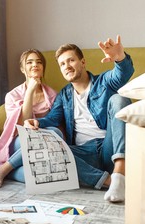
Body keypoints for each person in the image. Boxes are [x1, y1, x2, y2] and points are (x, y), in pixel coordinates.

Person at [24, 35, 134, 202]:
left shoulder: (103, 82)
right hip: (83, 153)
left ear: (82, 62)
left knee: (119, 99)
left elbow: (122, 74)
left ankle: (119, 172)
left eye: (71, 61)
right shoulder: (64, 95)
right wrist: (38, 122)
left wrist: (119, 58)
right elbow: (53, 118)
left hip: (108, 147)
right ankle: (109, 181)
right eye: (62, 64)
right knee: (49, 151)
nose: (67, 66)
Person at [0, 49, 59, 186]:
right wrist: (30, 91)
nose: (35, 65)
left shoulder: (53, 95)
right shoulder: (12, 95)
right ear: (23, 68)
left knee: (54, 136)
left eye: (39, 62)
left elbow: (57, 123)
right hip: (18, 143)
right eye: (29, 62)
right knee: (34, 139)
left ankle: (7, 170)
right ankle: (5, 169)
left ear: (43, 67)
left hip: (44, 144)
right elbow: (24, 123)